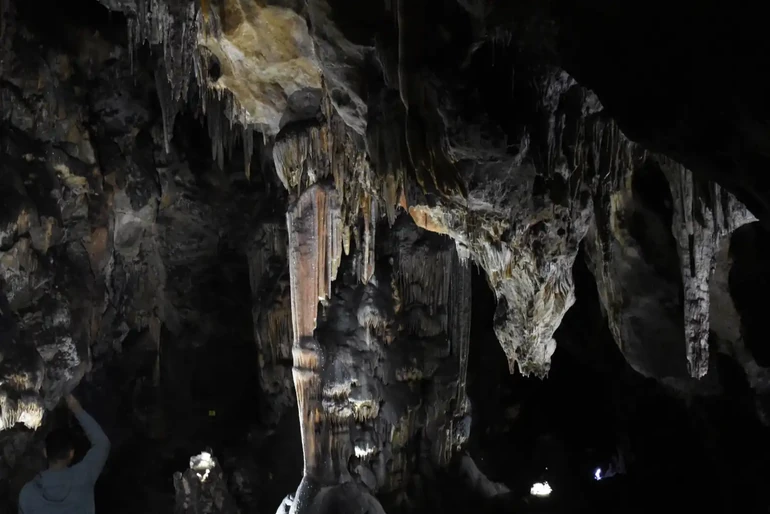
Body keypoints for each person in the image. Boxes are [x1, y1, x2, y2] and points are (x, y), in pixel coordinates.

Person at [18, 394, 110, 514]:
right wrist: (76, 408)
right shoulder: (84, 476)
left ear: (45, 452)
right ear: (71, 453)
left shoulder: (28, 494)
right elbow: (102, 443)